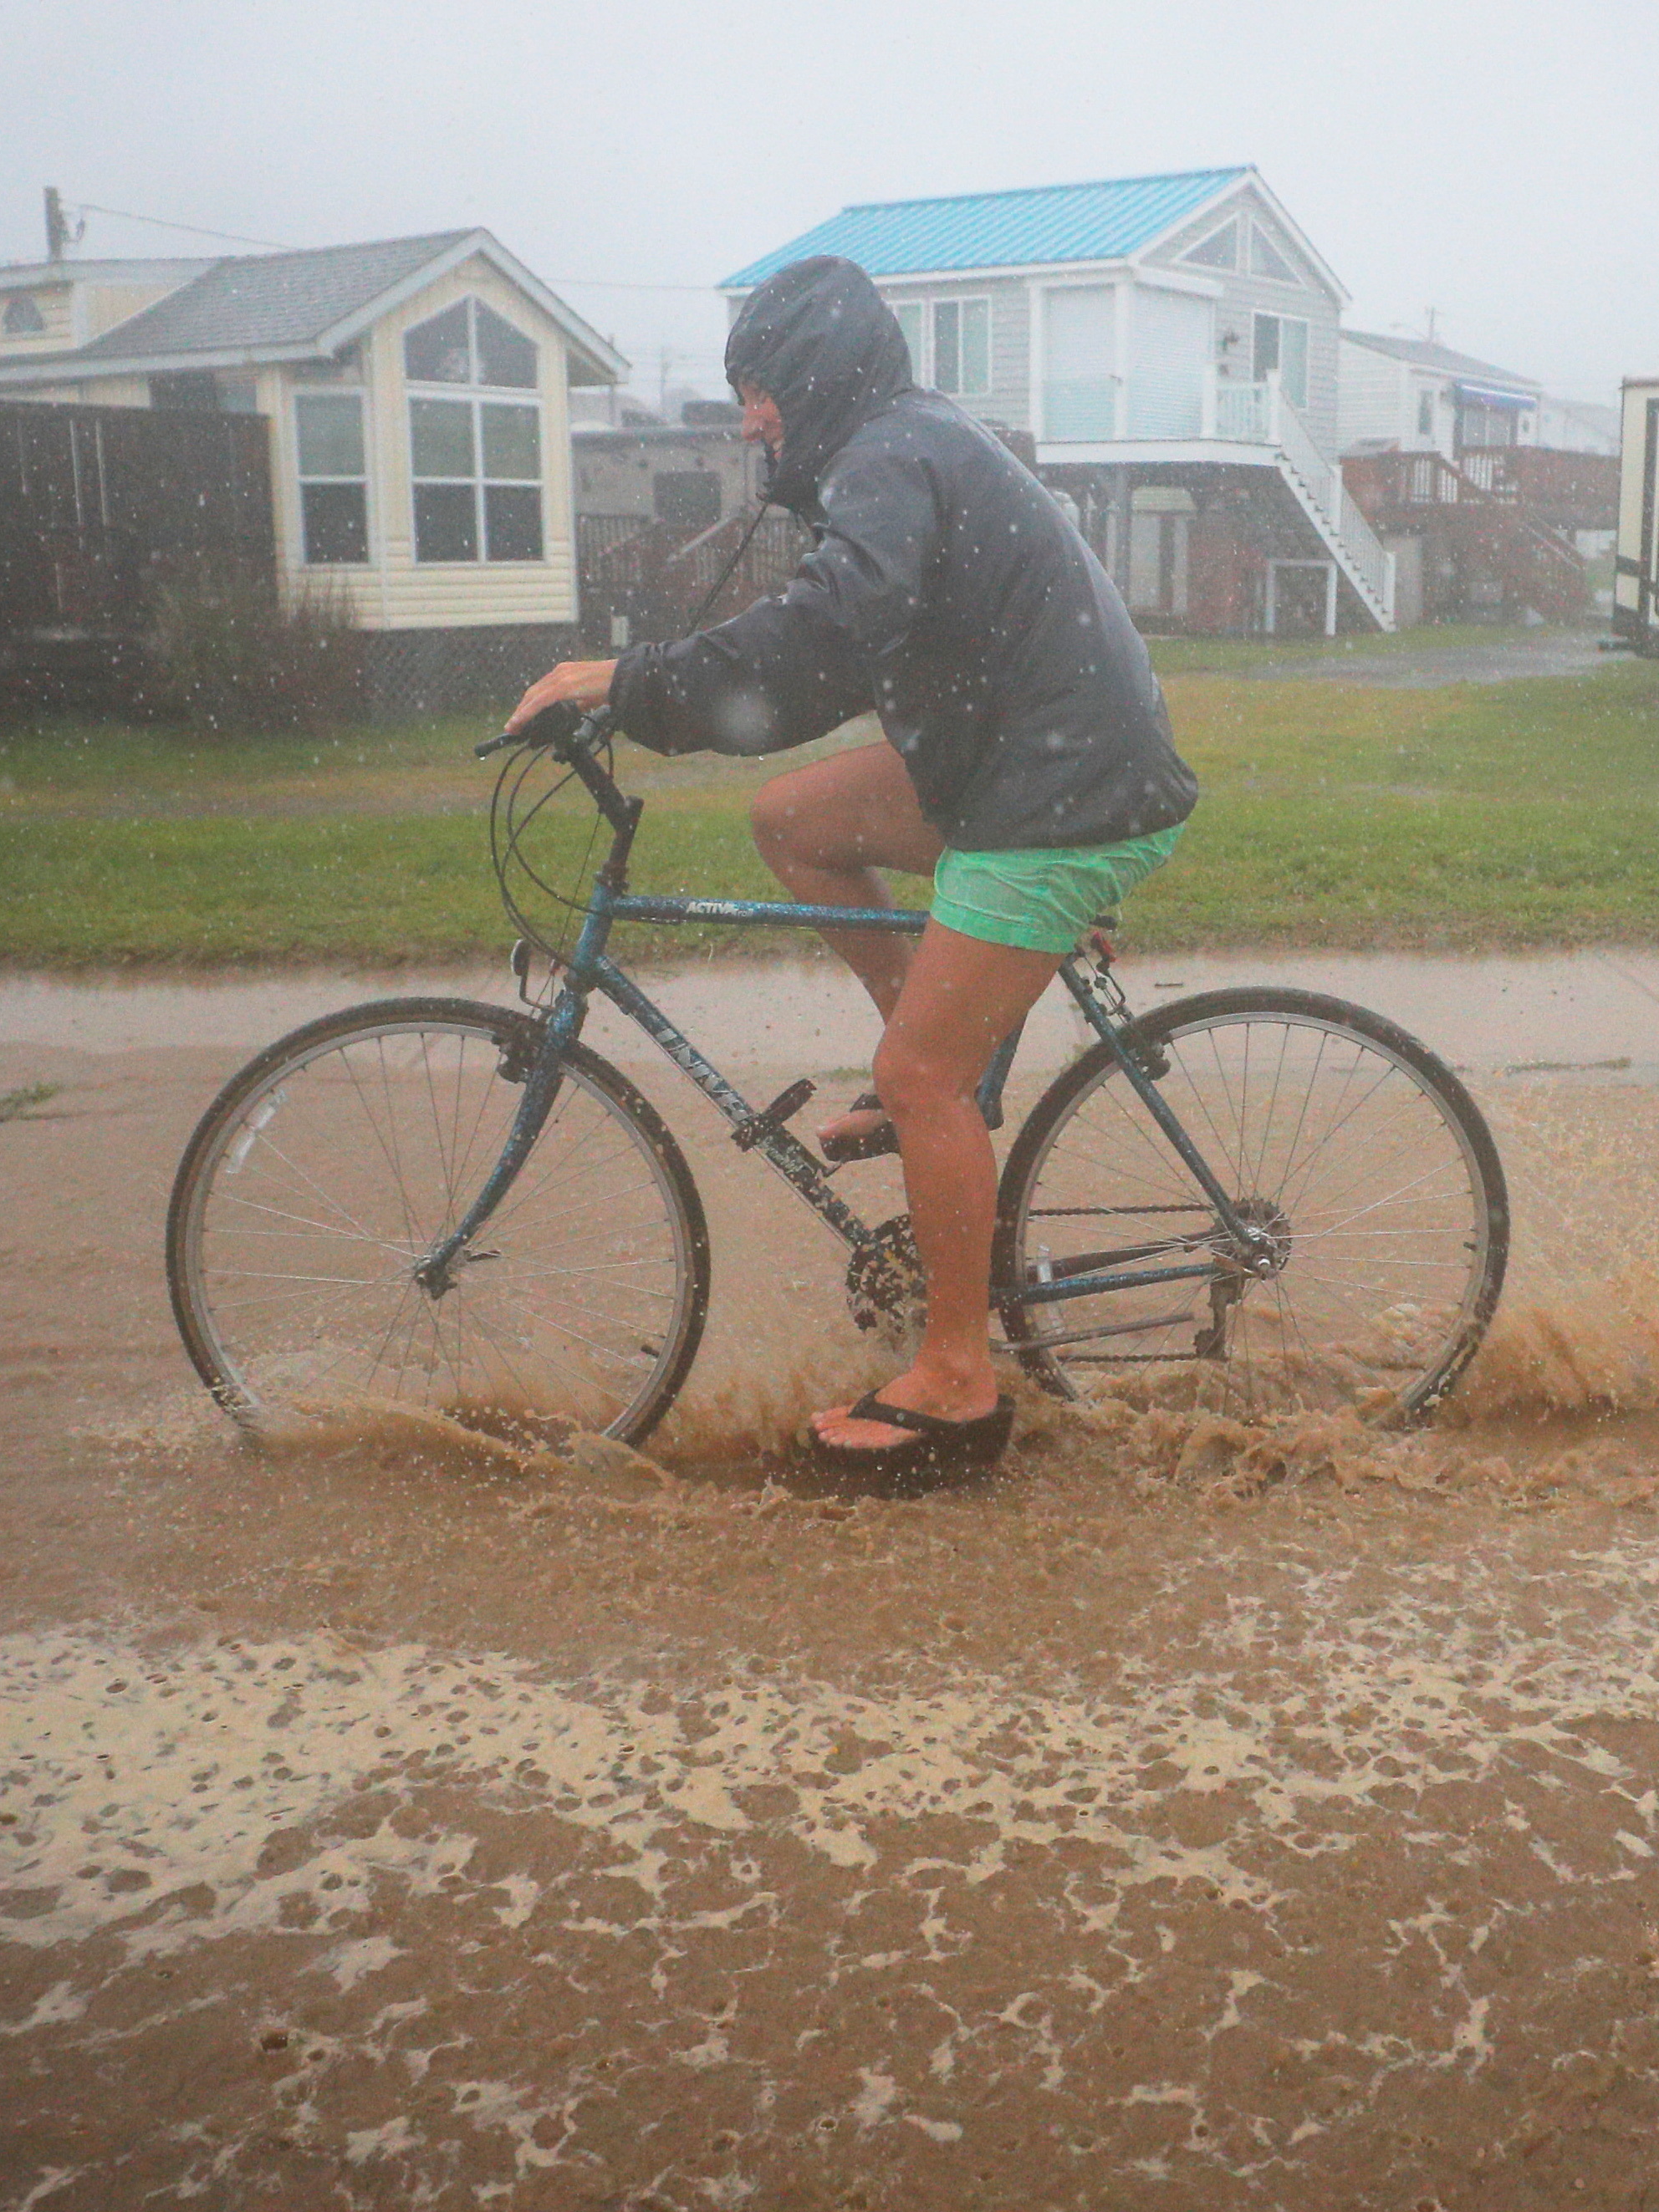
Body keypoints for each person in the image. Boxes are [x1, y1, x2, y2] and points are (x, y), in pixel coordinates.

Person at [507, 254, 1198, 1485]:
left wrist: (627, 682)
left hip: (1058, 791)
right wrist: (663, 690)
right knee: (792, 819)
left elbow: (820, 636)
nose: (747, 414)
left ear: (816, 374)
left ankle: (956, 1378)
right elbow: (809, 680)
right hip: (1023, 764)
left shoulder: (886, 457)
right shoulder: (892, 448)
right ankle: (948, 1075)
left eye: (759, 385)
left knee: (915, 1070)